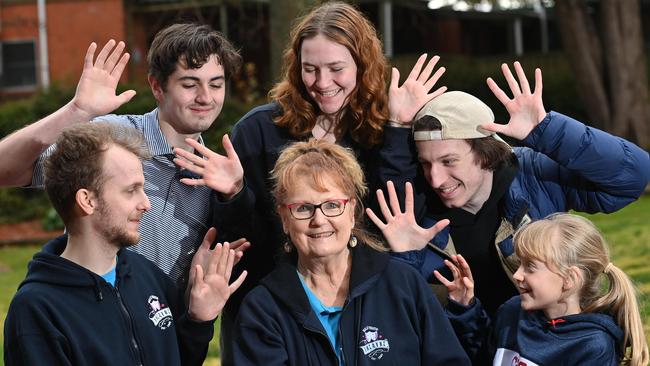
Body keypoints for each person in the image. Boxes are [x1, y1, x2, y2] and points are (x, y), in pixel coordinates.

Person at [195, 3, 445, 358]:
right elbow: (239, 243)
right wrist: (235, 195)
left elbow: (396, 222)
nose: (323, 83)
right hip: (274, 319)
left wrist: (396, 130)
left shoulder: (382, 131)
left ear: (363, 63)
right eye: (310, 69)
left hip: (364, 317)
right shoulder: (260, 131)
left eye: (336, 68)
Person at [381, 62, 650, 317]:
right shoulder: (413, 204)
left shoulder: (533, 176)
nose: (436, 179)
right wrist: (396, 129)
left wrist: (547, 130)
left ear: (486, 154)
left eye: (449, 161)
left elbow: (633, 178)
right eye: (426, 163)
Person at [0, 23, 245, 290]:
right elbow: (6, 170)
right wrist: (76, 111)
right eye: (190, 84)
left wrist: (235, 194)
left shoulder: (216, 176)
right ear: (157, 87)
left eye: (216, 84)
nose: (205, 97)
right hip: (86, 314)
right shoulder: (110, 137)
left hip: (161, 328)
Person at [3, 122, 247, 365]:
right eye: (131, 191)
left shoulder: (145, 275)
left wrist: (198, 318)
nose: (146, 204)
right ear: (87, 200)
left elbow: (181, 358)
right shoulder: (37, 311)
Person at [231, 139, 470, 365]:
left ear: (352, 211)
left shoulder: (403, 284)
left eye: (332, 205)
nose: (319, 220)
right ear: (284, 218)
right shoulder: (262, 308)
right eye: (303, 208)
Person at [438, 213, 649, 366]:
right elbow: (483, 357)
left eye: (530, 267)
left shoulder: (592, 346)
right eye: (519, 264)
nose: (517, 275)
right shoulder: (512, 312)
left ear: (569, 279)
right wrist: (465, 308)